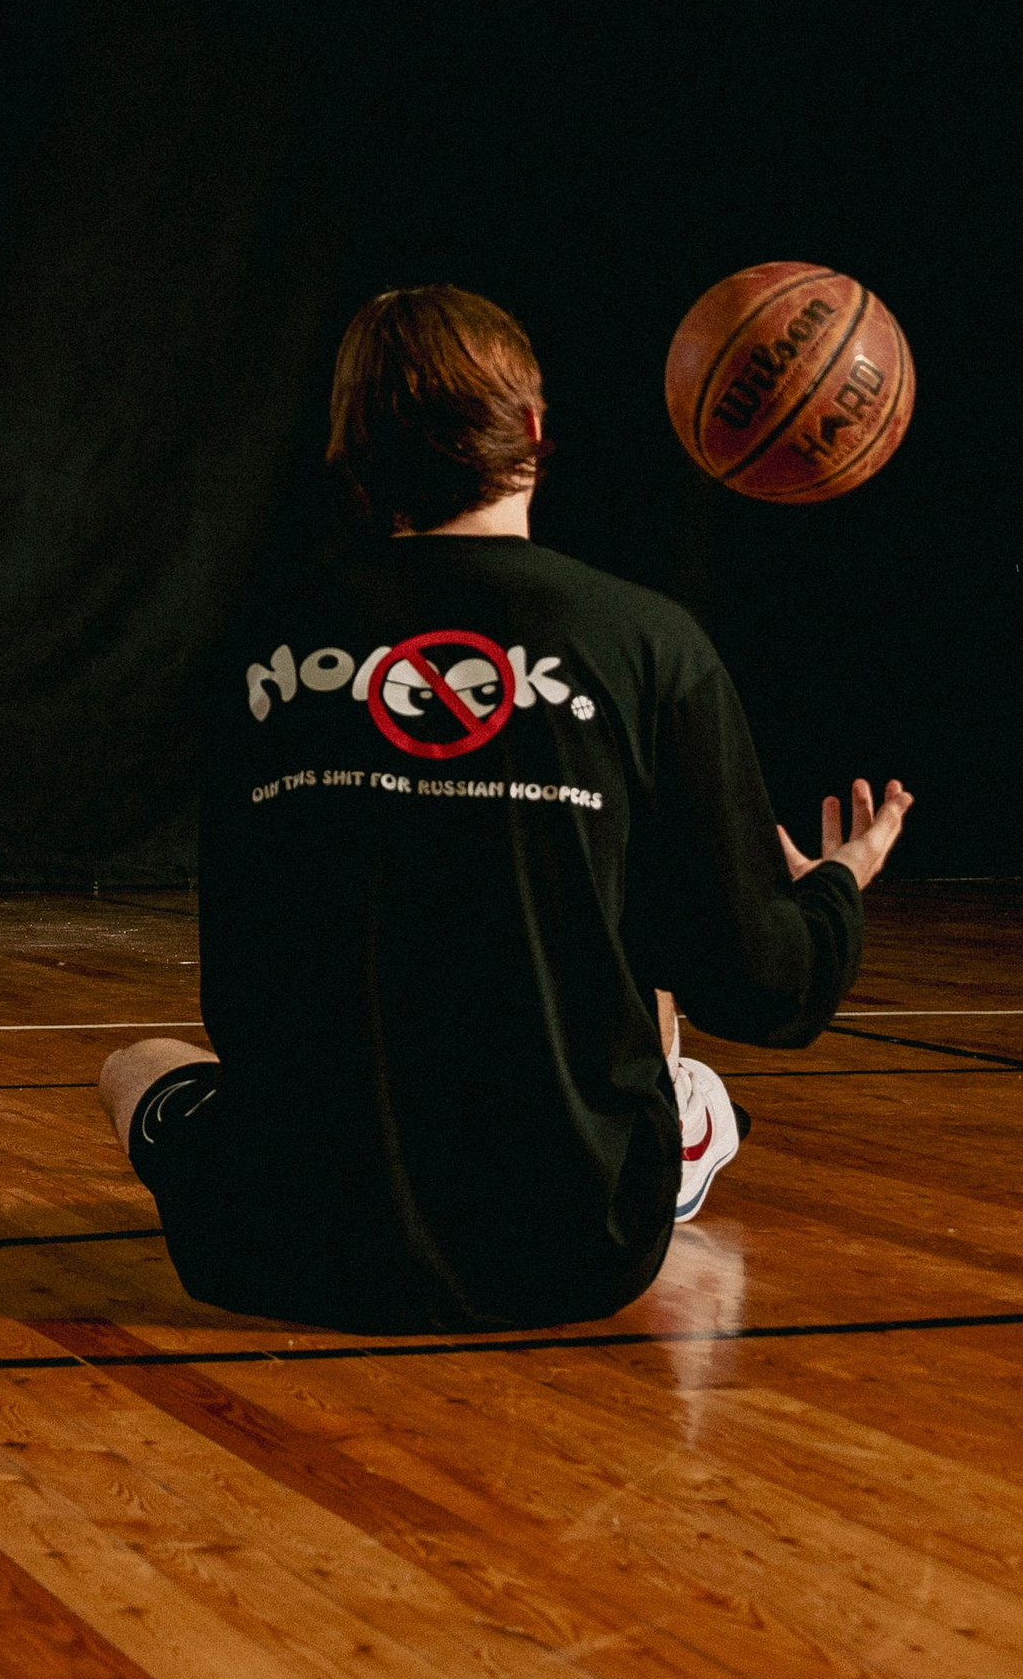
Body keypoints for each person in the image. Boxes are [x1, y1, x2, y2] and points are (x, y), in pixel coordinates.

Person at [103, 283, 912, 1332]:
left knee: (136, 1064)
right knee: (630, 925)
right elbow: (764, 986)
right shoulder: (647, 642)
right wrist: (835, 887)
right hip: (572, 1245)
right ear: (532, 428)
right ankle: (682, 1124)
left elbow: (247, 960)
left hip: (284, 1247)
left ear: (350, 448)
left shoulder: (260, 640)